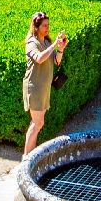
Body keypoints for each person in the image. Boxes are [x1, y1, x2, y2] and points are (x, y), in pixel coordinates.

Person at [22, 10, 69, 154]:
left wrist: (60, 49)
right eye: (44, 26)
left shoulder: (46, 42)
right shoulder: (31, 43)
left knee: (38, 123)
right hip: (34, 87)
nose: (47, 28)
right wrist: (54, 44)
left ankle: (30, 154)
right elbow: (39, 58)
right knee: (37, 123)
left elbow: (56, 60)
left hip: (43, 88)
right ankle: (26, 157)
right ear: (36, 27)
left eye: (48, 25)